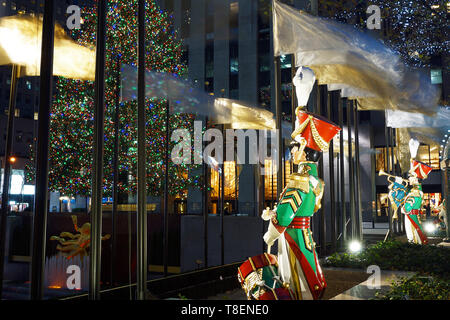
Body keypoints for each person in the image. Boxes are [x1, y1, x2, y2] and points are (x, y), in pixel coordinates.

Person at [261, 107, 340, 300]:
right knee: (307, 276)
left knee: (293, 282)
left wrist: (269, 235)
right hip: (304, 234)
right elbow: (304, 208)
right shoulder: (315, 180)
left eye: (295, 146)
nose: (292, 150)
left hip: (291, 238)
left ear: (304, 151)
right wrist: (273, 212)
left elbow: (286, 213)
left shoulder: (300, 179)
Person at [401, 160, 431, 245]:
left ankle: (415, 249)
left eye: (410, 177)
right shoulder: (415, 190)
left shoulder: (416, 191)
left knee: (413, 234)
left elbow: (408, 206)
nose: (409, 179)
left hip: (411, 214)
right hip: (411, 214)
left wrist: (403, 208)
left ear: (415, 178)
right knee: (413, 233)